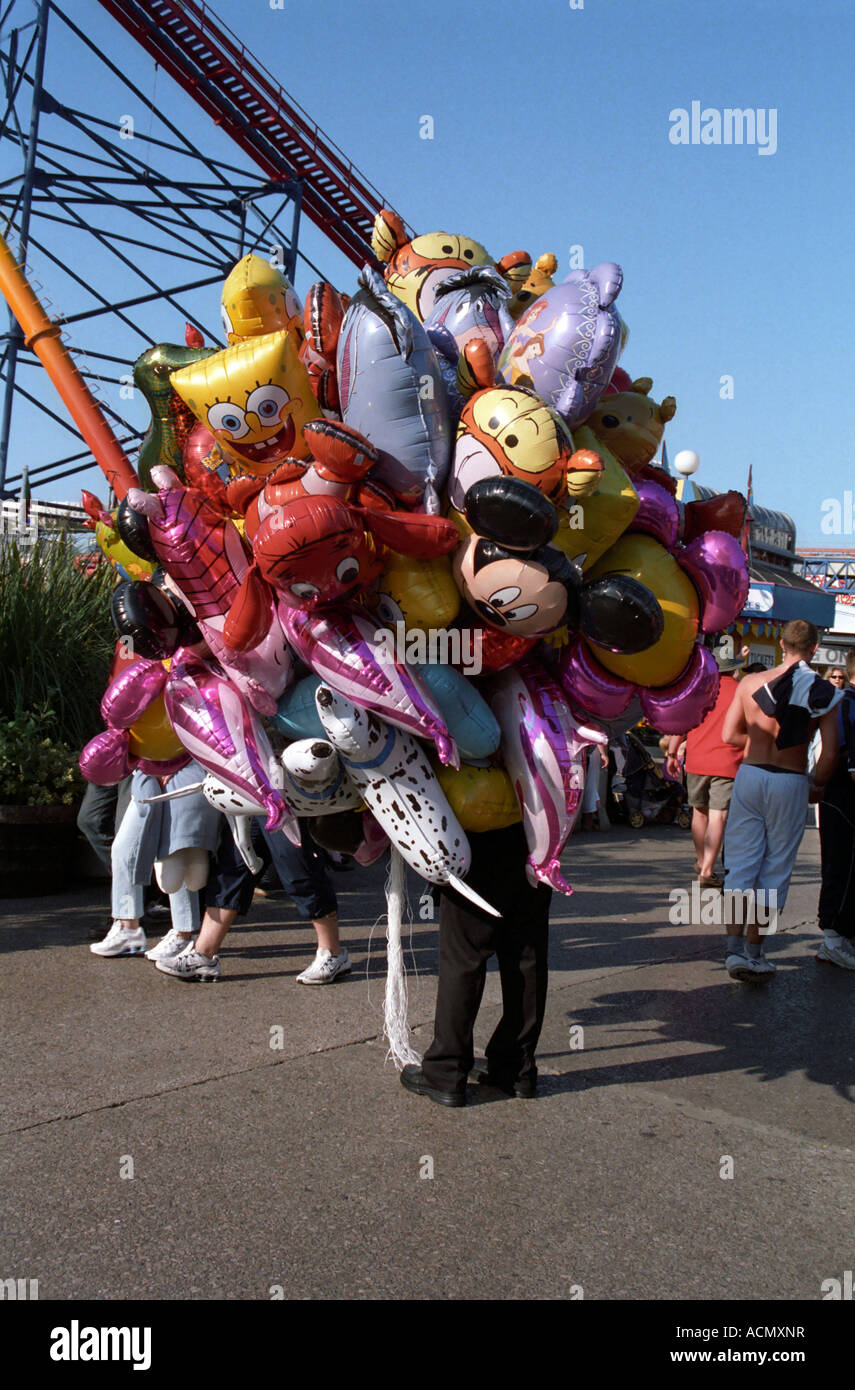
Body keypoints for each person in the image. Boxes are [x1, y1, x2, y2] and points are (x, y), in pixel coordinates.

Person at [720, 619, 842, 983]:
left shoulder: (750, 683)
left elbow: (730, 734)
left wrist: (761, 746)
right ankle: (756, 954)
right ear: (815, 648)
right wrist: (816, 784)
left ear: (781, 643)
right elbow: (830, 755)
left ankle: (733, 951)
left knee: (741, 865)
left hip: (751, 774)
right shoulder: (824, 692)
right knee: (775, 869)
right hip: (790, 780)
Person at [400, 822, 551, 1107]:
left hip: (476, 832)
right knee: (526, 953)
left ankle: (447, 1069)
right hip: (538, 833)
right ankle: (516, 1066)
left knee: (463, 957)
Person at [155, 819, 344, 983]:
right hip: (250, 792)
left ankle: (332, 952)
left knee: (298, 867)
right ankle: (204, 953)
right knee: (232, 867)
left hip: (284, 794)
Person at [89, 760, 221, 959]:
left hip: (182, 768)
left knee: (176, 849)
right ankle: (128, 927)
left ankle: (183, 934)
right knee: (124, 848)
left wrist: (178, 762)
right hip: (146, 769)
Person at [665, 648, 744, 889]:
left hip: (697, 758)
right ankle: (708, 869)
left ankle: (701, 860)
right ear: (735, 667)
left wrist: (671, 752)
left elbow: (682, 722)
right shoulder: (742, 690)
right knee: (719, 814)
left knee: (699, 811)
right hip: (728, 759)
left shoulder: (698, 689)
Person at [815, 650, 855, 971]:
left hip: (838, 791)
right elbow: (832, 752)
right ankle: (832, 938)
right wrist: (818, 785)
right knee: (840, 863)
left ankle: (843, 933)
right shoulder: (844, 703)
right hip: (841, 793)